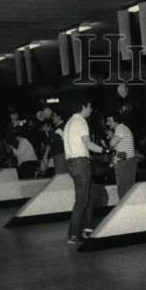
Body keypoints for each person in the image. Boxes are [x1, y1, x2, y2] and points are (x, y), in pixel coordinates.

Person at [63, 99, 104, 244]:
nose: (91, 109)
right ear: (84, 107)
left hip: (72, 163)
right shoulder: (81, 122)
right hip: (81, 164)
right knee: (81, 201)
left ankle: (84, 230)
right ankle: (73, 235)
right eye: (90, 106)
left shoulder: (69, 123)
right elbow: (88, 143)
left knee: (89, 196)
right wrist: (104, 150)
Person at [105, 112, 136, 198]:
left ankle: (125, 210)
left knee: (123, 192)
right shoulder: (123, 128)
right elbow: (122, 151)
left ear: (116, 121)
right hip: (128, 161)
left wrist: (111, 137)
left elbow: (112, 143)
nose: (107, 123)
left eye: (109, 121)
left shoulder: (120, 128)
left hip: (124, 163)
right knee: (128, 191)